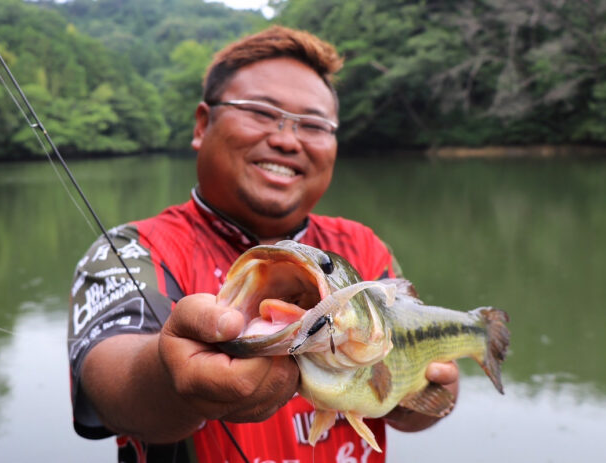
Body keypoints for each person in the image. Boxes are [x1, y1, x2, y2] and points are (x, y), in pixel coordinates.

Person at [67, 25, 459, 462]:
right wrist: (169, 375)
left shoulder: (363, 247)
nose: (286, 140)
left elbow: (409, 396)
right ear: (202, 124)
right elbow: (108, 382)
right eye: (260, 112)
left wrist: (422, 397)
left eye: (313, 124)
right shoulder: (131, 249)